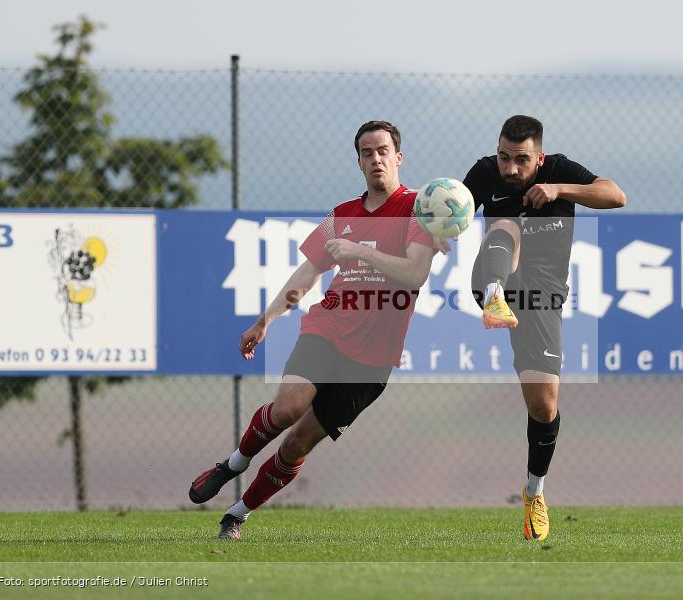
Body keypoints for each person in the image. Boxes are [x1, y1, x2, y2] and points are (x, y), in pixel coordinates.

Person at [189, 120, 437, 540]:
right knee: (287, 408)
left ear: (398, 157)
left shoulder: (418, 211)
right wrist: (265, 320)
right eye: (366, 152)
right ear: (358, 161)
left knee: (296, 445)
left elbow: (415, 273)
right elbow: (306, 273)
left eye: (382, 151)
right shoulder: (341, 216)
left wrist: (359, 251)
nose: (375, 159)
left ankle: (236, 514)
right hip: (327, 328)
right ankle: (232, 463)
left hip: (373, 361)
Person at [464, 115, 626, 541]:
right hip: (495, 279)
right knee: (505, 225)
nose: (511, 169)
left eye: (521, 161)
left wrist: (559, 190)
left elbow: (615, 195)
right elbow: (457, 210)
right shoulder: (484, 173)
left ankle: (535, 493)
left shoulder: (559, 171)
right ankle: (495, 294)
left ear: (539, 158)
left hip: (543, 298)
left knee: (543, 405)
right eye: (504, 158)